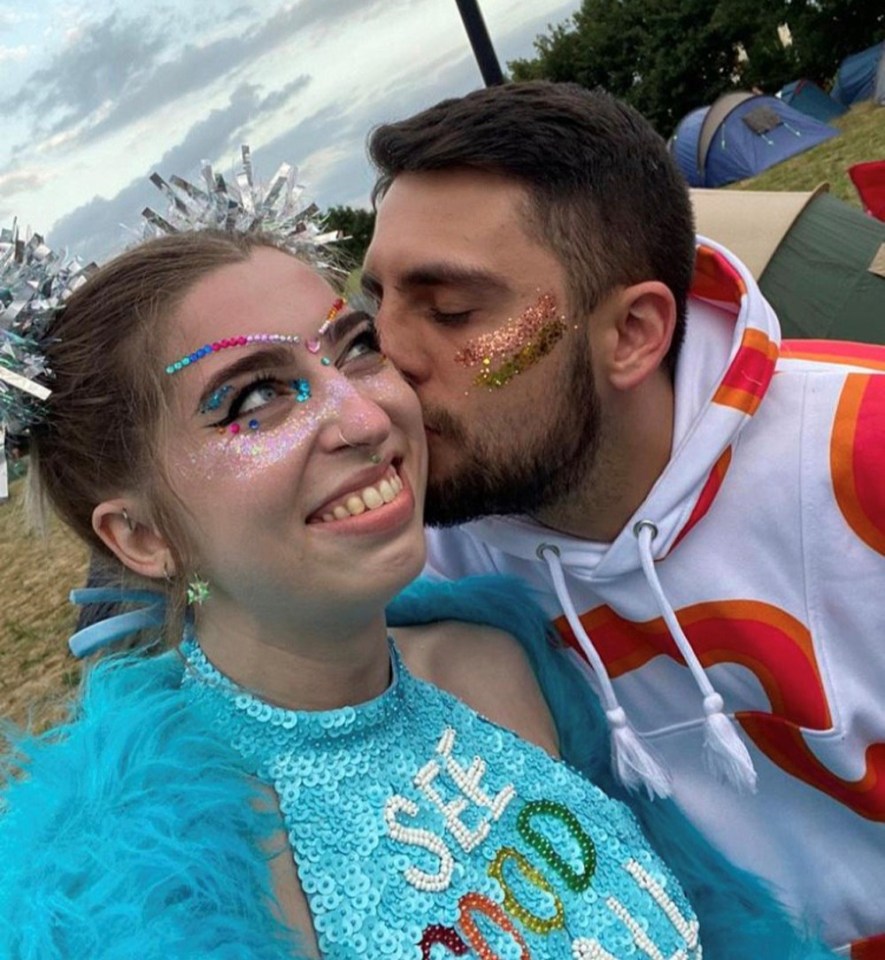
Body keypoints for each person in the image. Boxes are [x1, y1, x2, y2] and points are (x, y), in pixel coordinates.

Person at [0, 190, 834, 958]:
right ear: (141, 536)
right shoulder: (151, 883)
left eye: (354, 349)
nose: (367, 416)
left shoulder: (499, 653)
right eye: (255, 401)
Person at [362, 81, 885, 958]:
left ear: (634, 333)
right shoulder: (417, 558)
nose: (386, 366)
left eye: (451, 311)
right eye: (371, 306)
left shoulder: (857, 455)